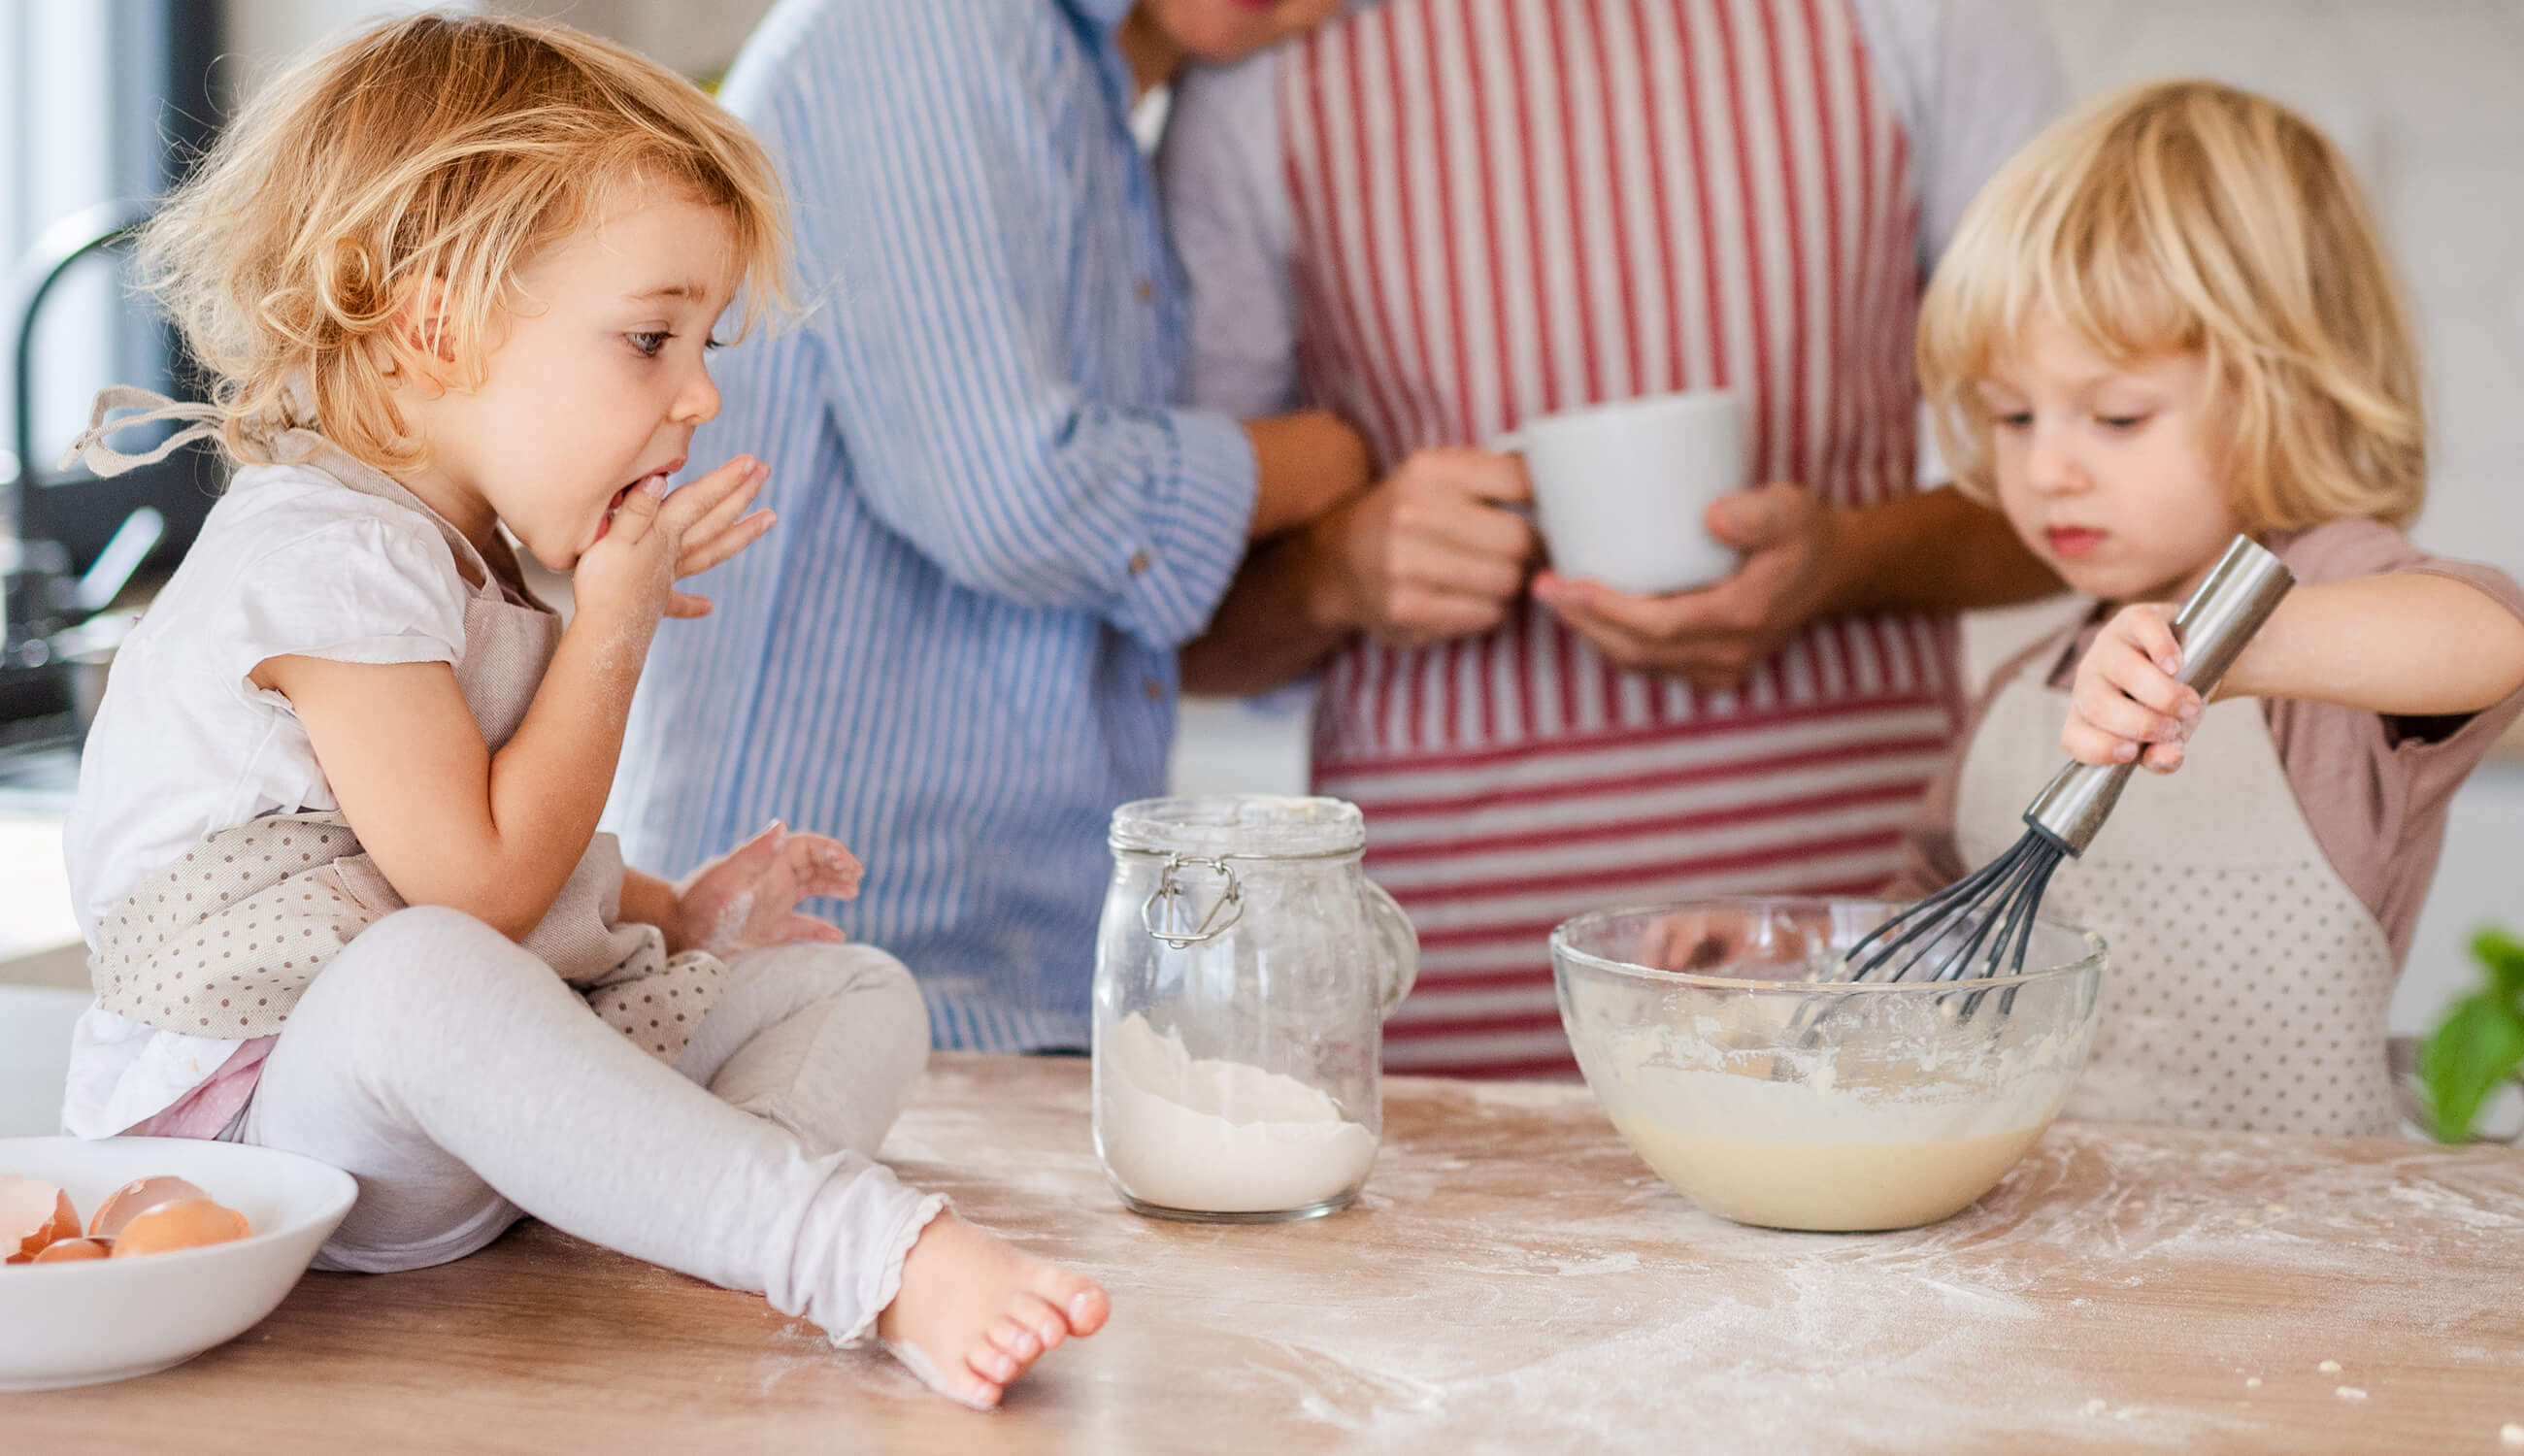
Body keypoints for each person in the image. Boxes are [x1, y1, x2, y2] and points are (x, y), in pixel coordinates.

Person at [60, 16, 1105, 1408]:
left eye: (704, 342)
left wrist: (677, 913)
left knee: (851, 985)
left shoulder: (468, 555)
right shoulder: (323, 552)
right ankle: (845, 1248)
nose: (702, 393)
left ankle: (693, 1217)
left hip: (433, 1111)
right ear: (433, 327)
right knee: (420, 975)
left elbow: (452, 855)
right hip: (273, 1140)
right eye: (650, 339)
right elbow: (472, 894)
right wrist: (610, 627)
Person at [1161, 0, 2067, 1075]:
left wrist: (1843, 567)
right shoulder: (1262, 61)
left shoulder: (1916, 23)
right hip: (1448, 995)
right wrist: (1331, 575)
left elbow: (2091, 506)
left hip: (1861, 952)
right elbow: (1170, 624)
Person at [608, 0, 1367, 1053]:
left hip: (964, 985)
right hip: (834, 982)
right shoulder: (928, 29)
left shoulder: (1095, 96)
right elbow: (1012, 498)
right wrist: (1333, 459)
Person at [1902, 79, 2524, 1134]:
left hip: (2292, 1250)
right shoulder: (2026, 682)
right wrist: (1786, 960)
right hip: (2054, 1240)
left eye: (2113, 415)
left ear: (2290, 388)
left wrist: (2240, 643)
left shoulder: (2335, 604)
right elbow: (1930, 921)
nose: (2047, 467)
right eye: (2010, 415)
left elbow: (2488, 638)